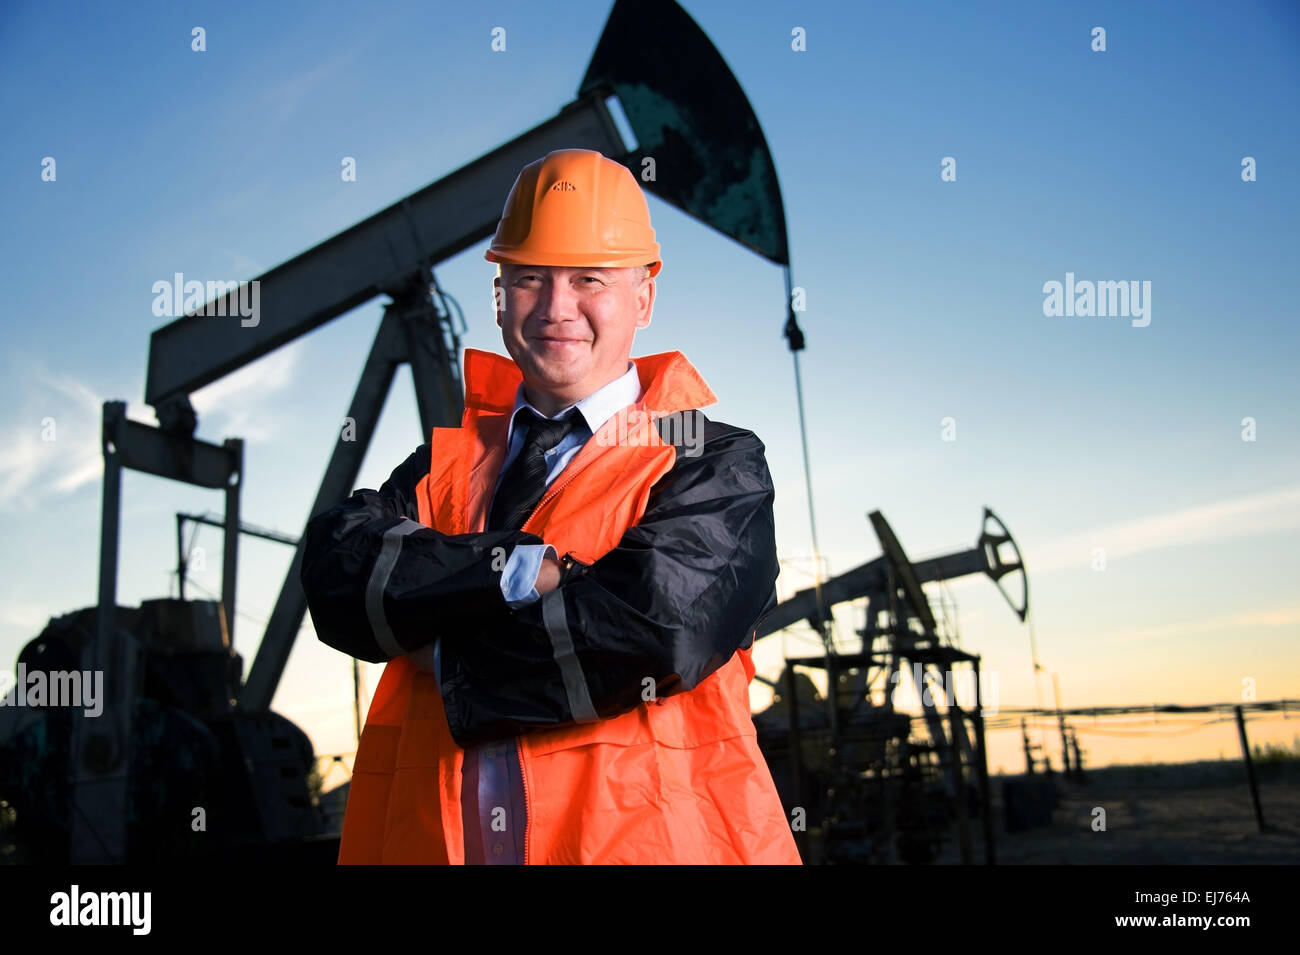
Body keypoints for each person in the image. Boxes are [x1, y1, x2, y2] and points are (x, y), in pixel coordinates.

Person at [301, 148, 801, 864]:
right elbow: (336, 574)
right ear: (500, 293)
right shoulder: (443, 467)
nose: (556, 308)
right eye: (530, 278)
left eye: (589, 278)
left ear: (643, 297)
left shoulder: (713, 463)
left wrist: (436, 639)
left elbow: (653, 631)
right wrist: (511, 573)